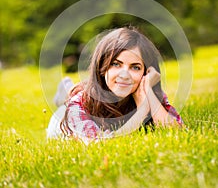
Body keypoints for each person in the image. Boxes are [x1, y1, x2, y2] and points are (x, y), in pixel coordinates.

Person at [47, 27, 183, 145]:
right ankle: (66, 91)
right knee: (70, 98)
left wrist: (148, 90)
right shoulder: (79, 103)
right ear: (102, 66)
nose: (125, 75)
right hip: (61, 117)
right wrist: (144, 108)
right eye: (116, 64)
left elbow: (177, 133)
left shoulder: (144, 89)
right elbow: (100, 145)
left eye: (135, 67)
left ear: (146, 72)